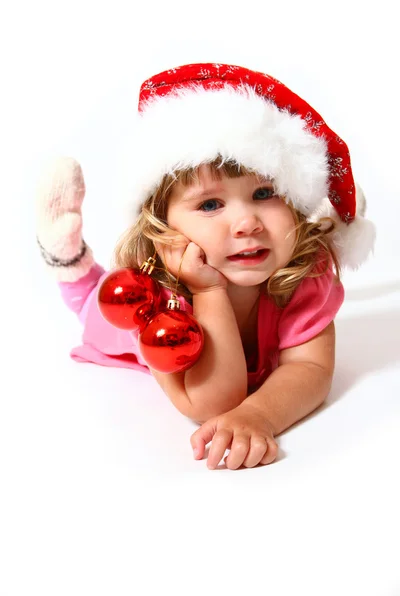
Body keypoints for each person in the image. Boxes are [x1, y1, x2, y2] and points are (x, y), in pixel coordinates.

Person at [36, 63, 376, 470]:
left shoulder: (305, 273)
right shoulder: (156, 300)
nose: (247, 223)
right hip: (123, 314)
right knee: (93, 303)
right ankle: (68, 258)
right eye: (210, 204)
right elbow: (212, 402)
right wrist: (208, 292)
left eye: (265, 193)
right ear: (164, 227)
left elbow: (311, 367)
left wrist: (261, 414)